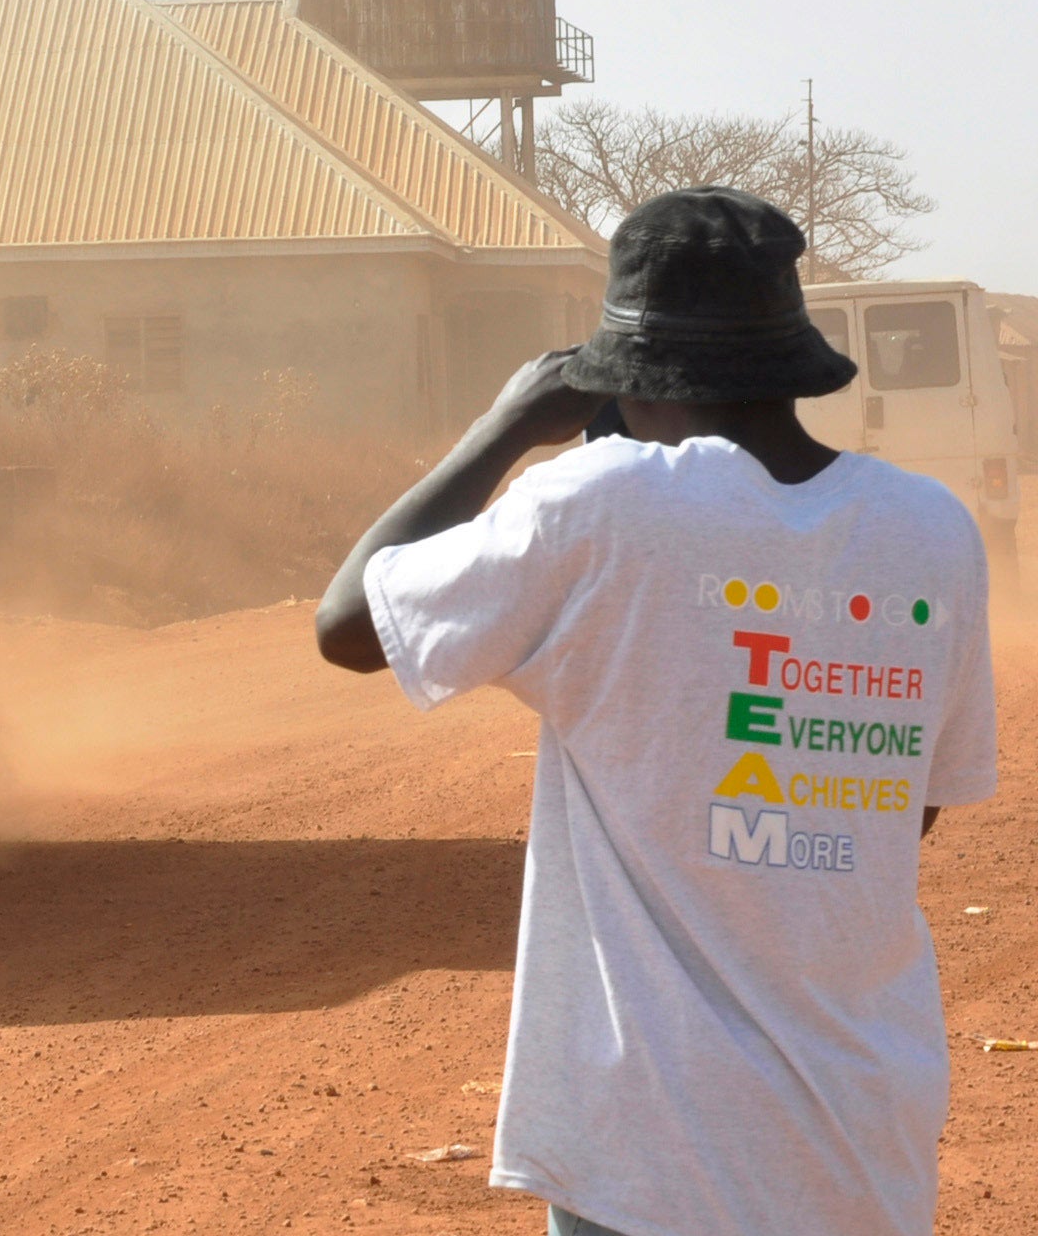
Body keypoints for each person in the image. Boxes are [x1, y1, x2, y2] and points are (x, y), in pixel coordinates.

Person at [312, 188, 997, 1236]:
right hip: (865, 1140)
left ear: (620, 376)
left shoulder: (600, 504)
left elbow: (351, 623)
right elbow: (900, 818)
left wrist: (505, 429)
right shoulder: (931, 530)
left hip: (658, 1154)